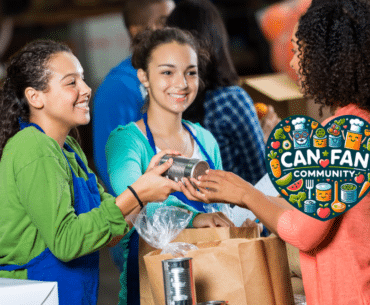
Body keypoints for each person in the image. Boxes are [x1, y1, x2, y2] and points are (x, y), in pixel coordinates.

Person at [186, 0, 370, 304]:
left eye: (298, 51)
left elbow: (303, 233)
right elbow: (317, 213)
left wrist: (246, 194)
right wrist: (240, 194)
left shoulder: (344, 132)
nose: (293, 64)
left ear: (330, 58)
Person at [0, 39, 186, 305]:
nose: (86, 89)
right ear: (35, 97)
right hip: (37, 295)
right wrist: (136, 192)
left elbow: (111, 230)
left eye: (83, 79)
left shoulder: (68, 148)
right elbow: (66, 242)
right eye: (71, 82)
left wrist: (147, 187)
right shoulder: (34, 148)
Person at [105, 27, 234, 305]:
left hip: (213, 280)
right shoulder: (127, 142)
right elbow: (132, 201)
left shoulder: (206, 140)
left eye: (191, 72)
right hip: (154, 283)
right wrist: (195, 219)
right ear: (144, 77)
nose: (182, 83)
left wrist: (237, 221)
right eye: (167, 72)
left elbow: (221, 205)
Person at [166, 0, 279, 185]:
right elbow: (260, 177)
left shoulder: (165, 102)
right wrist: (269, 138)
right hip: (238, 210)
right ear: (218, 40)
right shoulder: (229, 101)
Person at [92, 0, 175, 195]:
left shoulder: (177, 75)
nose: (174, 29)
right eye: (164, 21)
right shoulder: (117, 88)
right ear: (136, 31)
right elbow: (113, 166)